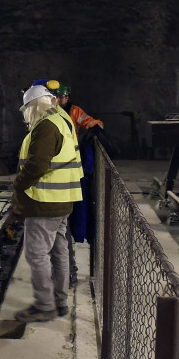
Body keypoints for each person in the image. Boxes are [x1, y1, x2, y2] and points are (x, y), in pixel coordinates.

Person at [11, 82, 83, 322]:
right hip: (63, 200)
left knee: (36, 254)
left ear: (35, 105)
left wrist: (18, 183)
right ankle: (61, 302)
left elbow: (37, 164)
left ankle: (45, 306)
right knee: (59, 252)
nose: (26, 115)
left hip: (44, 202)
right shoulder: (62, 120)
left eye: (27, 109)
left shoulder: (45, 127)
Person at [54, 83, 102, 286]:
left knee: (61, 229)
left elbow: (88, 122)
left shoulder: (73, 112)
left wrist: (96, 125)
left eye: (63, 97)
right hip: (65, 166)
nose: (61, 100)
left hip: (69, 165)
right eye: (59, 97)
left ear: (67, 97)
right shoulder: (53, 113)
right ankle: (66, 274)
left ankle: (66, 275)